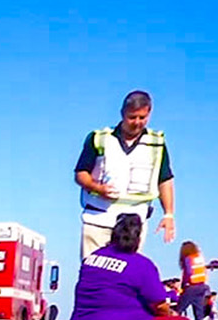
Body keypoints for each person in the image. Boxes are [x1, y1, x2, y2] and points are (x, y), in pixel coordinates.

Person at [68, 214, 205, 320]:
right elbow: (160, 306)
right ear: (138, 239)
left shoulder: (91, 258)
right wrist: (172, 315)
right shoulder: (141, 264)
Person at [75, 90, 176, 259]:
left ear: (149, 114)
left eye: (142, 118)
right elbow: (80, 174)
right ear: (122, 114)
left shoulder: (156, 144)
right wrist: (97, 188)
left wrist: (169, 214)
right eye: (132, 117)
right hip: (98, 218)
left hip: (134, 223)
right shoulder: (99, 138)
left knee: (127, 276)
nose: (137, 122)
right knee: (94, 272)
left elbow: (165, 179)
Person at [177, 241, 210, 320]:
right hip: (202, 286)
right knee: (199, 313)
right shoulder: (199, 258)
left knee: (178, 310)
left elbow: (188, 273)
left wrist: (183, 285)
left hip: (192, 287)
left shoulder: (188, 259)